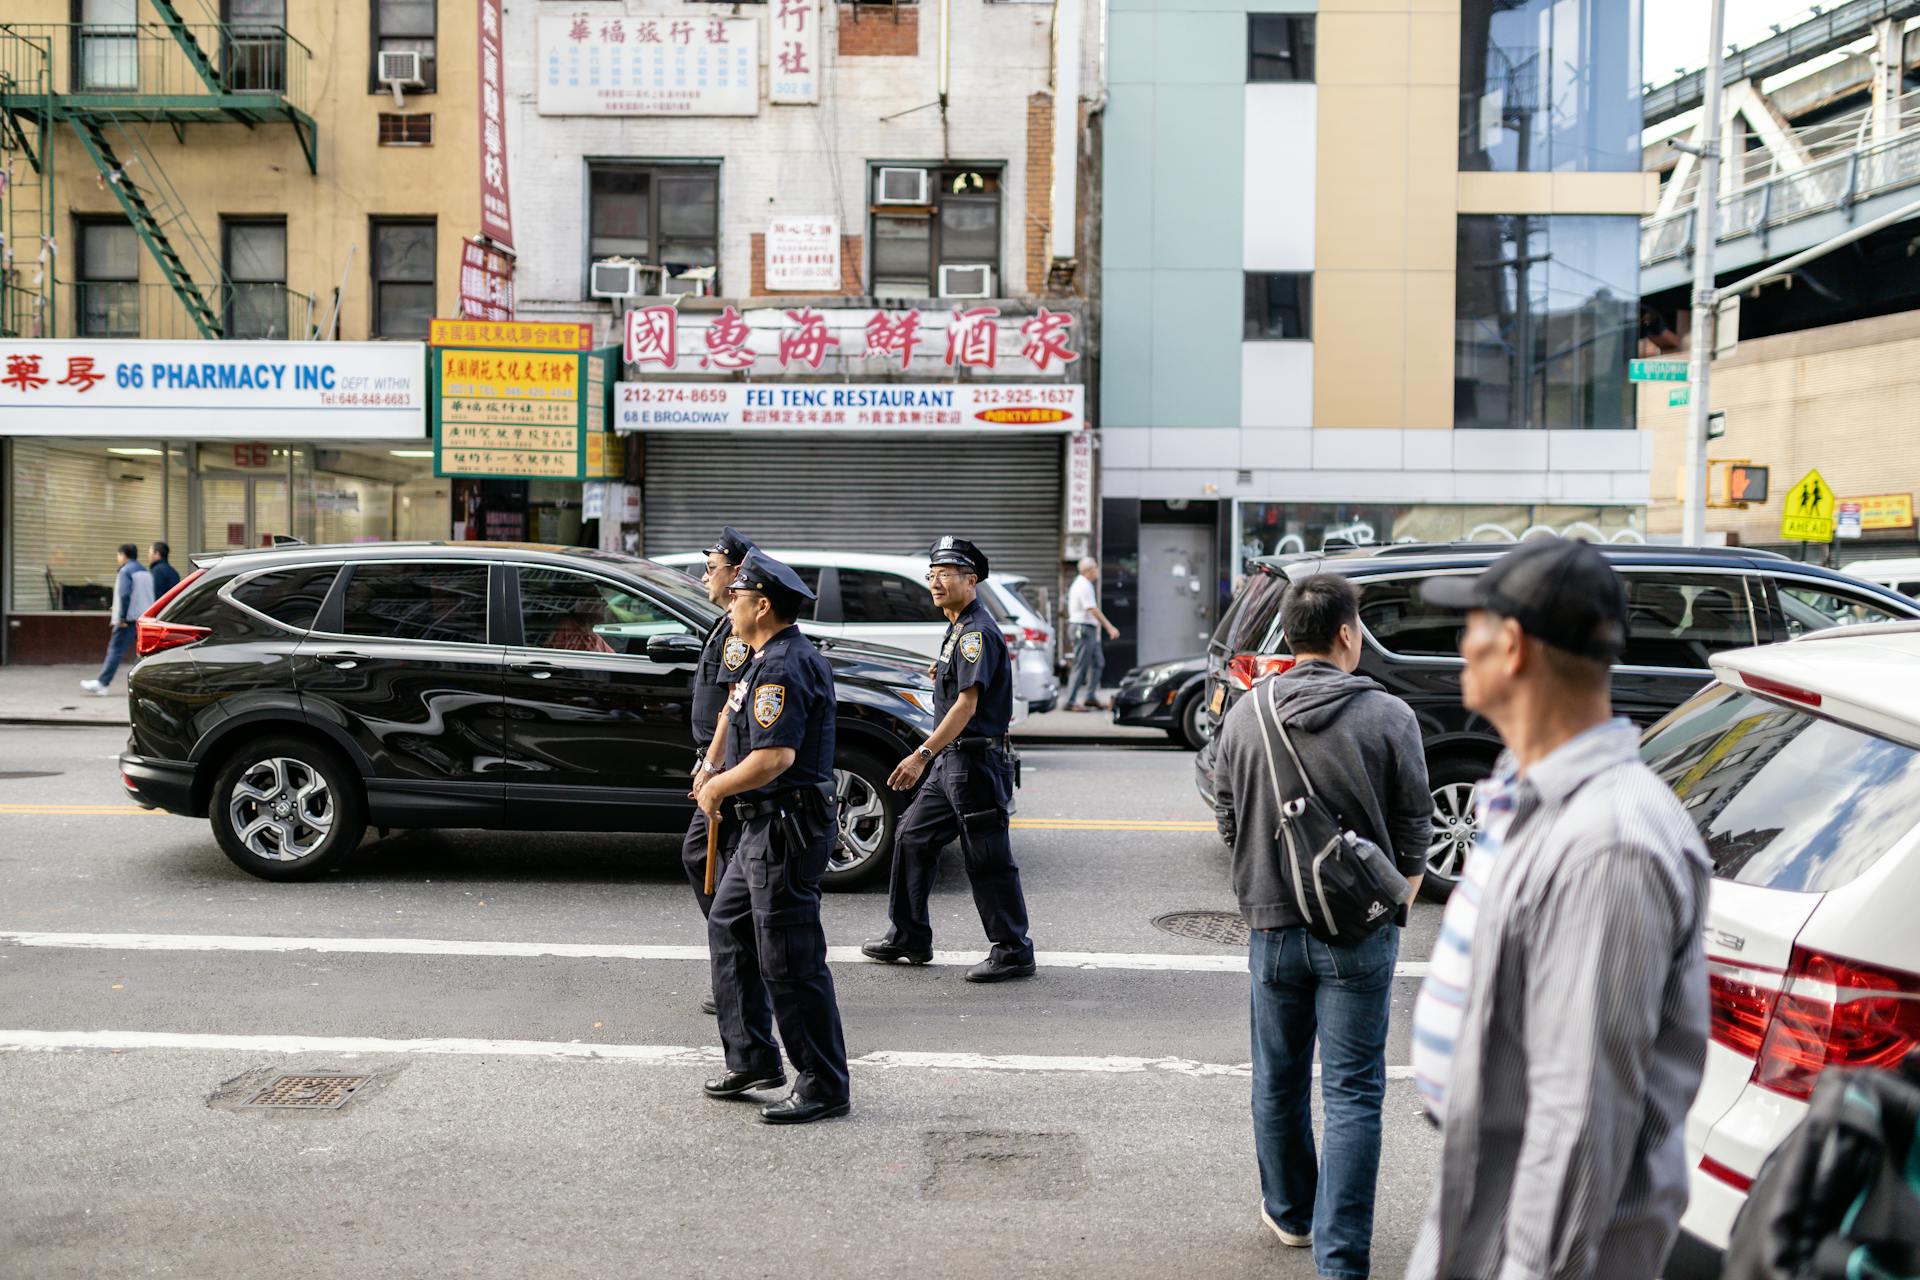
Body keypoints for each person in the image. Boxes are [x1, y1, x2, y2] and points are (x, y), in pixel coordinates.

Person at [1405, 537, 1710, 1280]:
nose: (1458, 648)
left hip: (1538, 1241)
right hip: (1486, 1199)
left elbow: (1580, 1121)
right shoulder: (1530, 794)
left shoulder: (1608, 843)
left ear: (1510, 647)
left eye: (1467, 628)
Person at [1210, 573, 1430, 1279]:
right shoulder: (1390, 717)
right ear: (1345, 634)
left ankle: (1291, 1214)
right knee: (1354, 1089)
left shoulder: (1247, 714)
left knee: (1277, 1077)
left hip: (1271, 926)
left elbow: (1225, 817)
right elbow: (1415, 830)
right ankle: (1341, 1260)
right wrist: (1392, 899)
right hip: (1359, 933)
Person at [694, 549, 850, 1125]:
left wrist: (718, 790)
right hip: (762, 826)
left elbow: (775, 757)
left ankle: (824, 1083)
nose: (729, 601)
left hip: (784, 827)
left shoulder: (784, 665)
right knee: (729, 926)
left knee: (790, 958)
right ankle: (754, 1057)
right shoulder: (765, 657)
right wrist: (713, 769)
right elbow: (734, 722)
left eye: (737, 595)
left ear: (762, 605)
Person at [862, 536, 1036, 983]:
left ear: (971, 580)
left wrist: (921, 754)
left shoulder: (976, 631)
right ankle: (909, 935)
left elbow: (966, 706)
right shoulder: (958, 626)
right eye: (932, 574)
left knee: (987, 856)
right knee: (912, 837)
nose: (935, 582)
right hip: (952, 763)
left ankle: (1013, 949)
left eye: (946, 574)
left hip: (974, 763)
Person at [682, 527, 757, 1016]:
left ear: (735, 574)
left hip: (727, 768)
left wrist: (714, 765)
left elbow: (734, 707)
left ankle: (742, 969)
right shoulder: (724, 621)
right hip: (715, 761)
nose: (705, 575)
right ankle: (741, 966)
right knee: (712, 866)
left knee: (712, 865)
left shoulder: (737, 630)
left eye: (712, 568)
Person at [80, 544, 155, 696]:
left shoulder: (126, 571)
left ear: (123, 555)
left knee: (115, 650)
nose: (118, 559)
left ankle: (102, 684)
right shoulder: (145, 572)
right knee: (144, 654)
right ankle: (148, 686)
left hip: (128, 619)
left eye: (118, 555)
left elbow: (125, 594)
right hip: (144, 619)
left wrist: (121, 616)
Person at [1060, 556, 1119, 712]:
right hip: (1083, 629)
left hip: (1088, 629)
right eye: (1096, 568)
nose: (1098, 571)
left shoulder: (1084, 584)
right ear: (1089, 570)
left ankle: (1090, 697)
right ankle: (1070, 701)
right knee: (1080, 666)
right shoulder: (1083, 585)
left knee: (1098, 663)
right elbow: (1092, 609)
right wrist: (1109, 627)